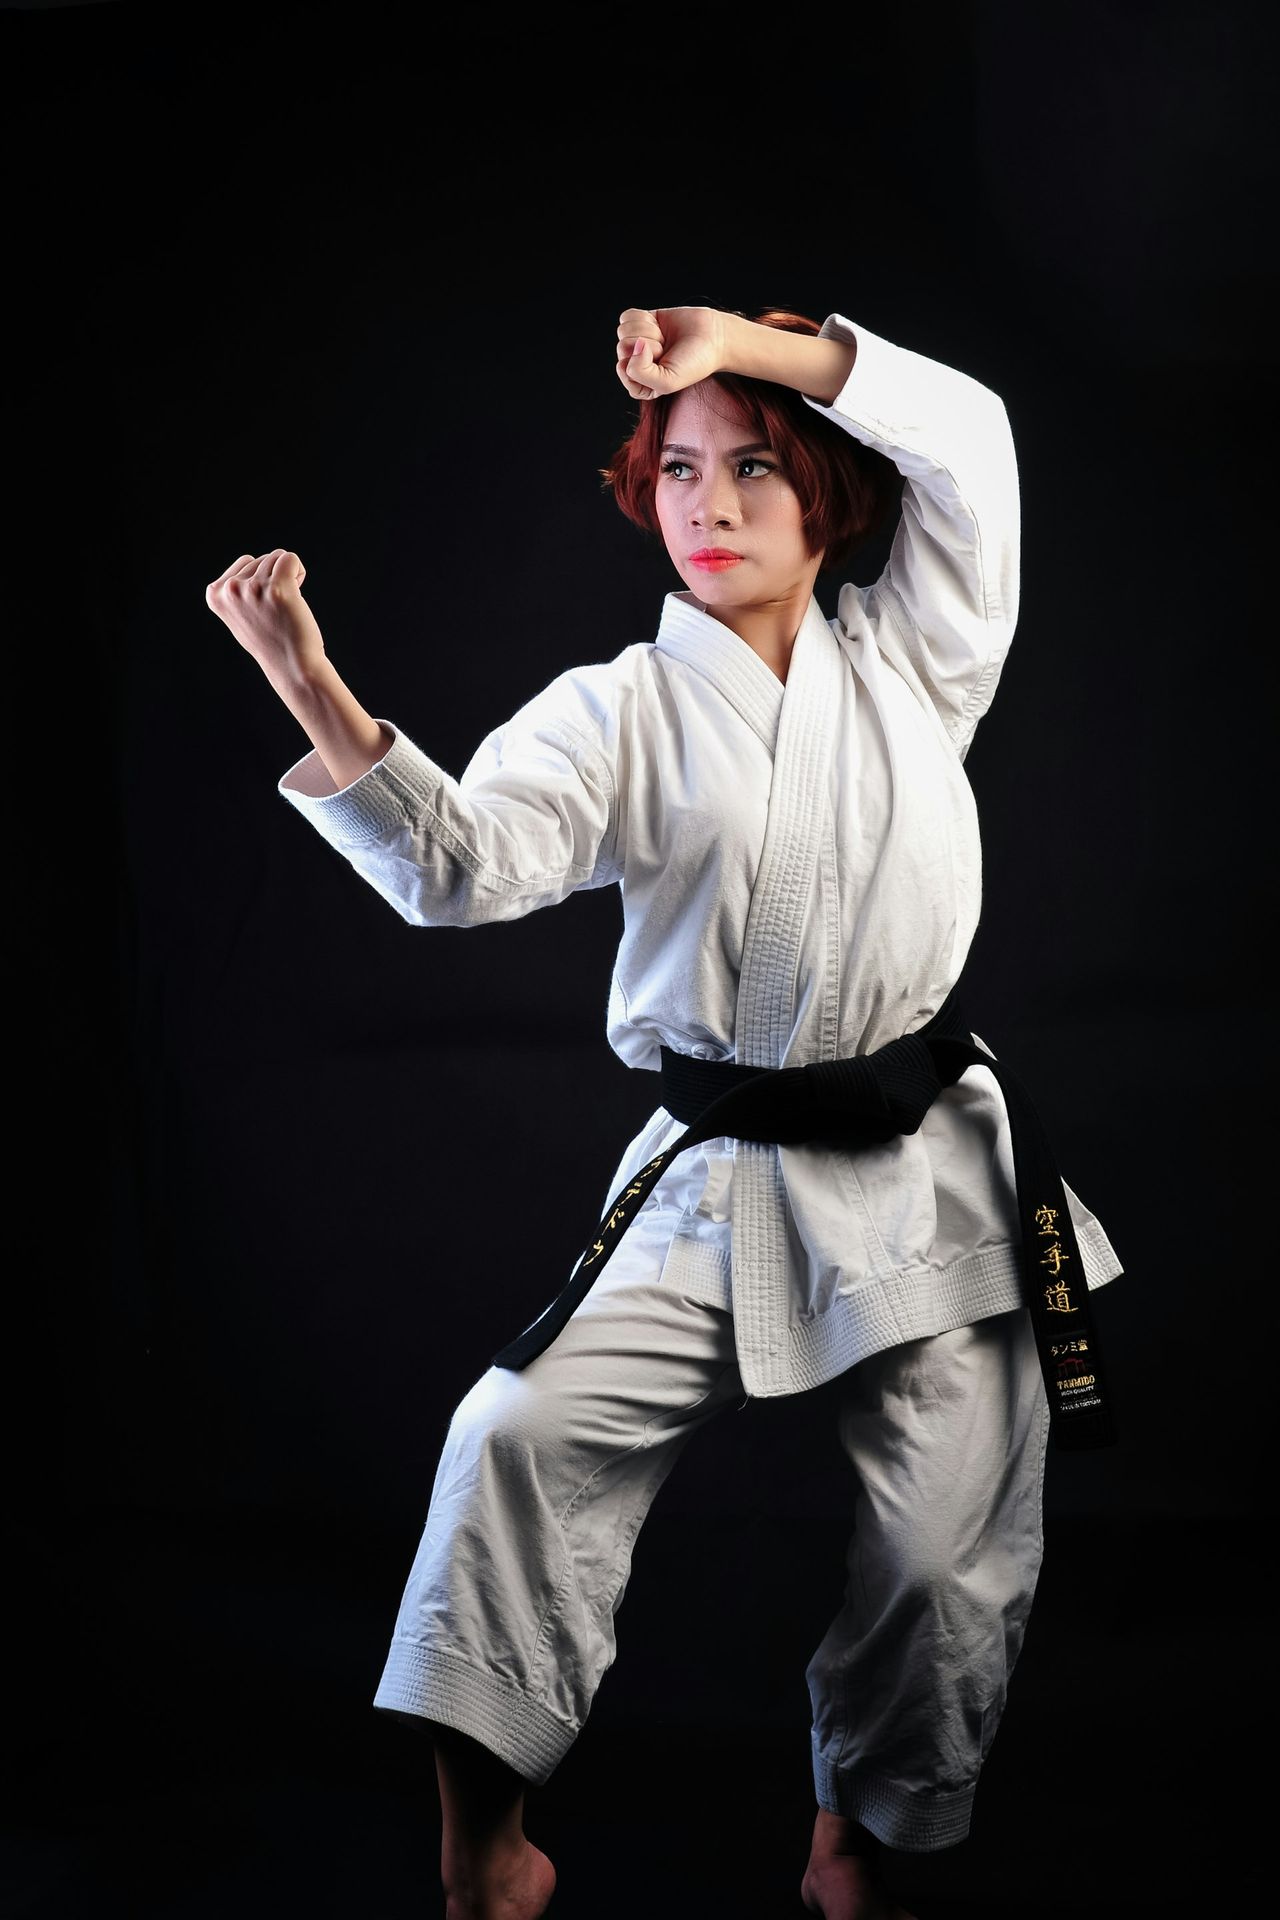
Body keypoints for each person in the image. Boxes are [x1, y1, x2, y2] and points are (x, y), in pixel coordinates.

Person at [205, 303, 1124, 1920]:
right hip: (724, 1180)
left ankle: (861, 1840)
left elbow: (968, 436)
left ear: (828, 496)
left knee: (943, 1561)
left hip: (934, 1178)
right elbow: (458, 866)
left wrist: (740, 339)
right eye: (680, 471)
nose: (707, 504)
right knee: (511, 1439)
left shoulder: (920, 654)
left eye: (754, 467)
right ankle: (484, 1845)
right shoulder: (619, 708)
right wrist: (309, 682)